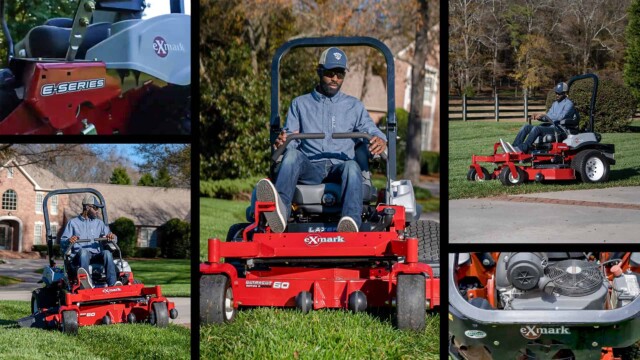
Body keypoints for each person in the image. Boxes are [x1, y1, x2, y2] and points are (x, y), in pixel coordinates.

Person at [257, 47, 387, 233]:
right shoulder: (300, 104)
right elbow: (291, 140)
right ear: (319, 71)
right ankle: (281, 213)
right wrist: (282, 143)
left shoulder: (354, 106)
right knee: (292, 155)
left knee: (352, 166)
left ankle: (350, 222)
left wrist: (380, 140)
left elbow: (372, 131)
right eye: (329, 73)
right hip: (311, 168)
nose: (335, 78)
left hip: (340, 168)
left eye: (340, 74)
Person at [60, 195, 119, 289]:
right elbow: (63, 241)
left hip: (96, 255)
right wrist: (69, 240)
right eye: (95, 208)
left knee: (107, 253)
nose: (97, 211)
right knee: (84, 252)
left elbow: (112, 237)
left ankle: (113, 285)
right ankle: (87, 283)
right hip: (78, 257)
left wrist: (112, 237)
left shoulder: (99, 223)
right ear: (87, 207)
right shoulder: (73, 223)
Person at [504, 82, 577, 154]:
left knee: (537, 129)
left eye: (559, 93)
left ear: (565, 93)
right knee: (526, 127)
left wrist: (543, 115)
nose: (557, 95)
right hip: (551, 126)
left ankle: (523, 148)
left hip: (560, 129)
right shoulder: (555, 103)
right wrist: (540, 117)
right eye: (556, 93)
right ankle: (513, 147)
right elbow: (548, 116)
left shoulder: (569, 104)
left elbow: (560, 117)